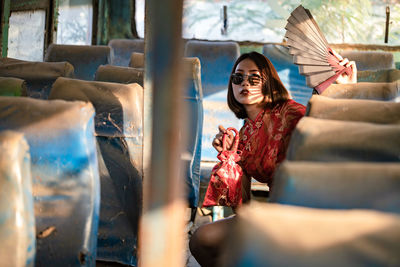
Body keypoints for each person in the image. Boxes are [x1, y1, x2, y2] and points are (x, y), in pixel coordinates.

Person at [189, 51, 357, 267]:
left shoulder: (289, 112)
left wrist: (343, 90)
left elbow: (319, 127)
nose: (245, 84)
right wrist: (230, 158)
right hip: (276, 212)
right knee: (201, 240)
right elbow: (242, 207)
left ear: (268, 83)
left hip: (306, 209)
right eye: (238, 78)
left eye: (254, 78)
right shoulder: (245, 133)